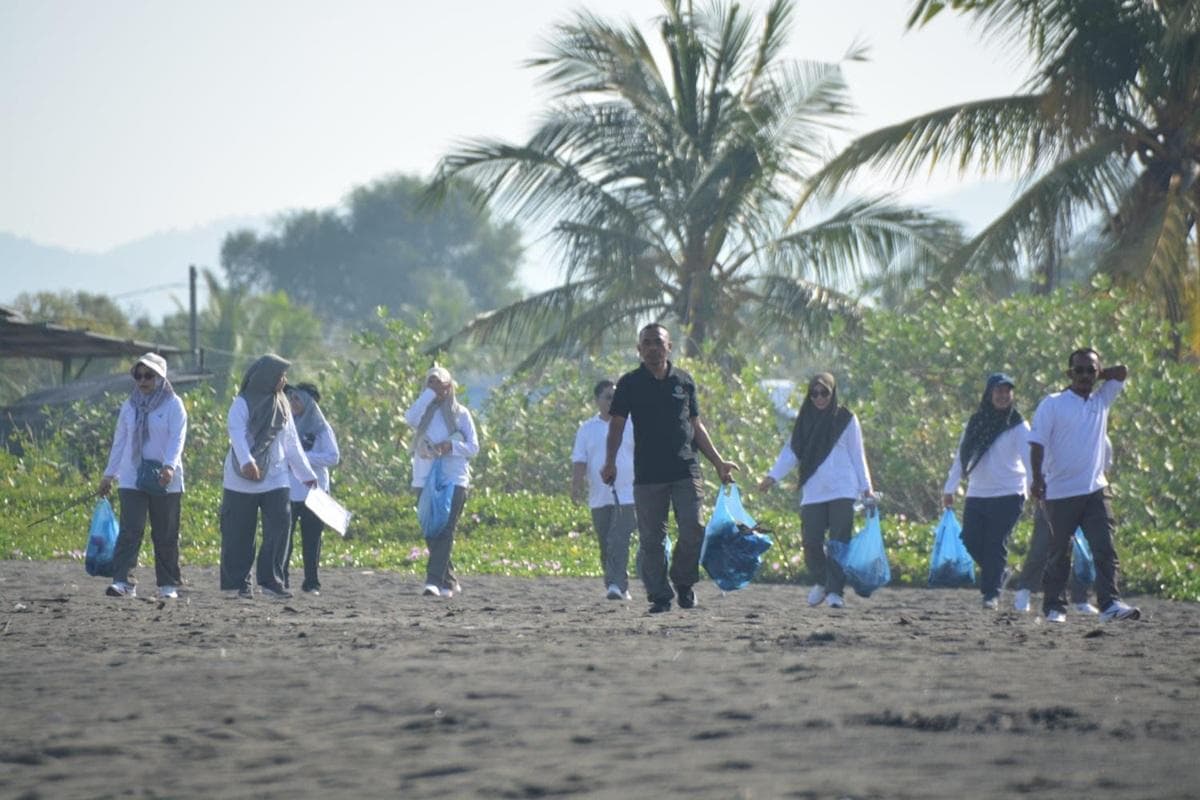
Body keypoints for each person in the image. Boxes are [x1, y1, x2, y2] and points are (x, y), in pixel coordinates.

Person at [602, 323, 737, 614]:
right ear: (639, 349)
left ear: (669, 347)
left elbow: (696, 425)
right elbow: (616, 426)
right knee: (652, 539)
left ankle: (684, 583)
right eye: (647, 343)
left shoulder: (684, 381)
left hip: (686, 469)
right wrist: (609, 462)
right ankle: (660, 596)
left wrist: (718, 462)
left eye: (658, 342)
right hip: (648, 475)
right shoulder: (629, 383)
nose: (653, 348)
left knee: (694, 529)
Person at [1029, 348, 1139, 623]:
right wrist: (1037, 479)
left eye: (1090, 370)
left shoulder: (1101, 399)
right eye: (1078, 370)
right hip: (1060, 492)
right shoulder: (1053, 403)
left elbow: (1122, 371)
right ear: (1069, 373)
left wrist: (1098, 373)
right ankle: (1054, 607)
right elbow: (1037, 444)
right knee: (1058, 553)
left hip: (1095, 490)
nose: (1085, 375)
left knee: (1105, 548)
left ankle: (1110, 604)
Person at [758, 372, 875, 609]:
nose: (819, 398)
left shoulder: (846, 419)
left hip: (843, 489)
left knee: (839, 542)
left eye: (824, 393)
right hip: (814, 491)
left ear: (833, 393)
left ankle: (835, 591)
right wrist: (772, 476)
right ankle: (823, 581)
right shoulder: (804, 420)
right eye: (814, 393)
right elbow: (791, 452)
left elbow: (857, 454)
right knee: (811, 541)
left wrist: (867, 488)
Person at [220, 354, 317, 600]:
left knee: (280, 526)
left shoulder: (282, 403)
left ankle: (272, 581)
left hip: (276, 477)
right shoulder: (242, 403)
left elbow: (291, 442)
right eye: (280, 375)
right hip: (241, 477)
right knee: (239, 532)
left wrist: (306, 474)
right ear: (266, 377)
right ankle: (239, 583)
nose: (284, 380)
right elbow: (236, 433)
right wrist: (247, 461)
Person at [98, 353, 187, 599]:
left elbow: (177, 439)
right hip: (131, 477)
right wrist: (109, 475)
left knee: (165, 533)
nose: (143, 381)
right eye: (138, 376)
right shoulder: (129, 406)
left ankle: (167, 584)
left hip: (164, 478)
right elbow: (120, 441)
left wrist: (169, 466)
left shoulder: (173, 405)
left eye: (149, 375)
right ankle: (123, 581)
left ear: (161, 377)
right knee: (130, 530)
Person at [941, 372, 1030, 609]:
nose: (1003, 396)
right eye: (998, 391)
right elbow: (961, 456)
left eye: (1007, 391)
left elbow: (1030, 459)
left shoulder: (1018, 425)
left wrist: (1037, 489)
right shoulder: (976, 422)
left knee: (995, 543)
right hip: (978, 492)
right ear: (989, 394)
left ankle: (991, 594)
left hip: (1010, 492)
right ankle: (999, 573)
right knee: (970, 539)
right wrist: (950, 488)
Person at [404, 366, 479, 598]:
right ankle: (449, 580)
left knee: (445, 529)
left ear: (450, 386)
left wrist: (451, 447)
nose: (438, 389)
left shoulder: (461, 413)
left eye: (441, 384)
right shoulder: (422, 412)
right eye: (432, 383)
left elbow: (473, 447)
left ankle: (433, 581)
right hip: (424, 477)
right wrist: (429, 394)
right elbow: (409, 418)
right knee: (430, 528)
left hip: (454, 478)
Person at [571, 379, 636, 601]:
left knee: (619, 538)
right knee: (605, 541)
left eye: (616, 397)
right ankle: (615, 584)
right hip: (599, 496)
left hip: (627, 493)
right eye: (608, 397)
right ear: (597, 400)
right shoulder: (587, 429)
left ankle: (617, 584)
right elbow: (579, 460)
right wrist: (576, 486)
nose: (612, 401)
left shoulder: (631, 424)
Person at [283, 382, 340, 596]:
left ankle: (311, 582)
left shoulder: (321, 428)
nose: (293, 402)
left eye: (297, 399)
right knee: (284, 538)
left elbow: (333, 457)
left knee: (312, 539)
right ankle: (281, 579)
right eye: (291, 398)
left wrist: (303, 459)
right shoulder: (286, 425)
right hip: (289, 489)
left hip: (314, 491)